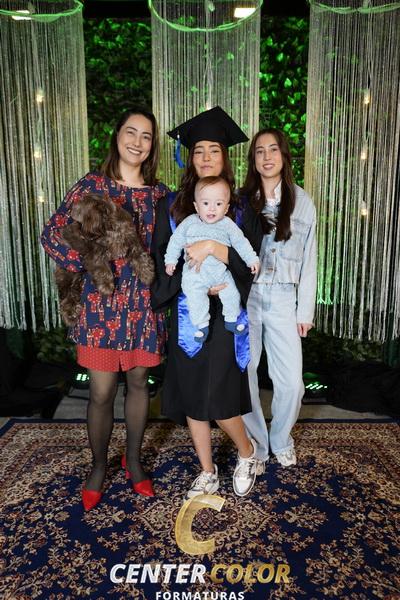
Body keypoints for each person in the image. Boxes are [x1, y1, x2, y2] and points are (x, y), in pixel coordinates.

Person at [41, 107, 168, 510]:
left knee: (139, 385)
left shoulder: (160, 194)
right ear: (117, 136)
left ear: (152, 145)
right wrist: (90, 258)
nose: (137, 142)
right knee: (100, 391)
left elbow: (168, 248)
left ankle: (133, 460)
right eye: (131, 132)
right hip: (101, 305)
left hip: (142, 306)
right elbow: (52, 234)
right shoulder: (92, 185)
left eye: (146, 136)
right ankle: (98, 466)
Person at [151, 106, 263, 498]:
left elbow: (252, 261)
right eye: (198, 150)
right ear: (190, 156)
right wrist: (189, 271)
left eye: (214, 150)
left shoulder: (242, 206)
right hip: (189, 310)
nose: (205, 157)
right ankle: (207, 470)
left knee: (219, 396)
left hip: (226, 313)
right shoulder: (172, 205)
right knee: (193, 394)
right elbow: (162, 258)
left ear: (224, 156)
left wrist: (215, 249)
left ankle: (247, 452)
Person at [240, 127, 317, 470]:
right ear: (253, 159)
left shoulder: (303, 201)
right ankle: (256, 443)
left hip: (285, 299)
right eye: (259, 151)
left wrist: (305, 311)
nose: (266, 156)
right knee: (244, 374)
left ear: (284, 156)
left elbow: (310, 258)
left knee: (292, 383)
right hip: (248, 298)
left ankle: (281, 439)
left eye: (273, 149)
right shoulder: (242, 200)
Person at [164, 176, 260, 342]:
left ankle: (231, 319)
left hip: (220, 273)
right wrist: (170, 260)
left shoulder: (228, 225)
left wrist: (252, 259)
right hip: (195, 273)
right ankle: (202, 325)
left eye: (219, 204)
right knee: (194, 294)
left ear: (226, 208)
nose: (212, 209)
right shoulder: (189, 222)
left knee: (232, 291)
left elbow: (241, 243)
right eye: (206, 203)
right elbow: (176, 241)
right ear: (196, 206)